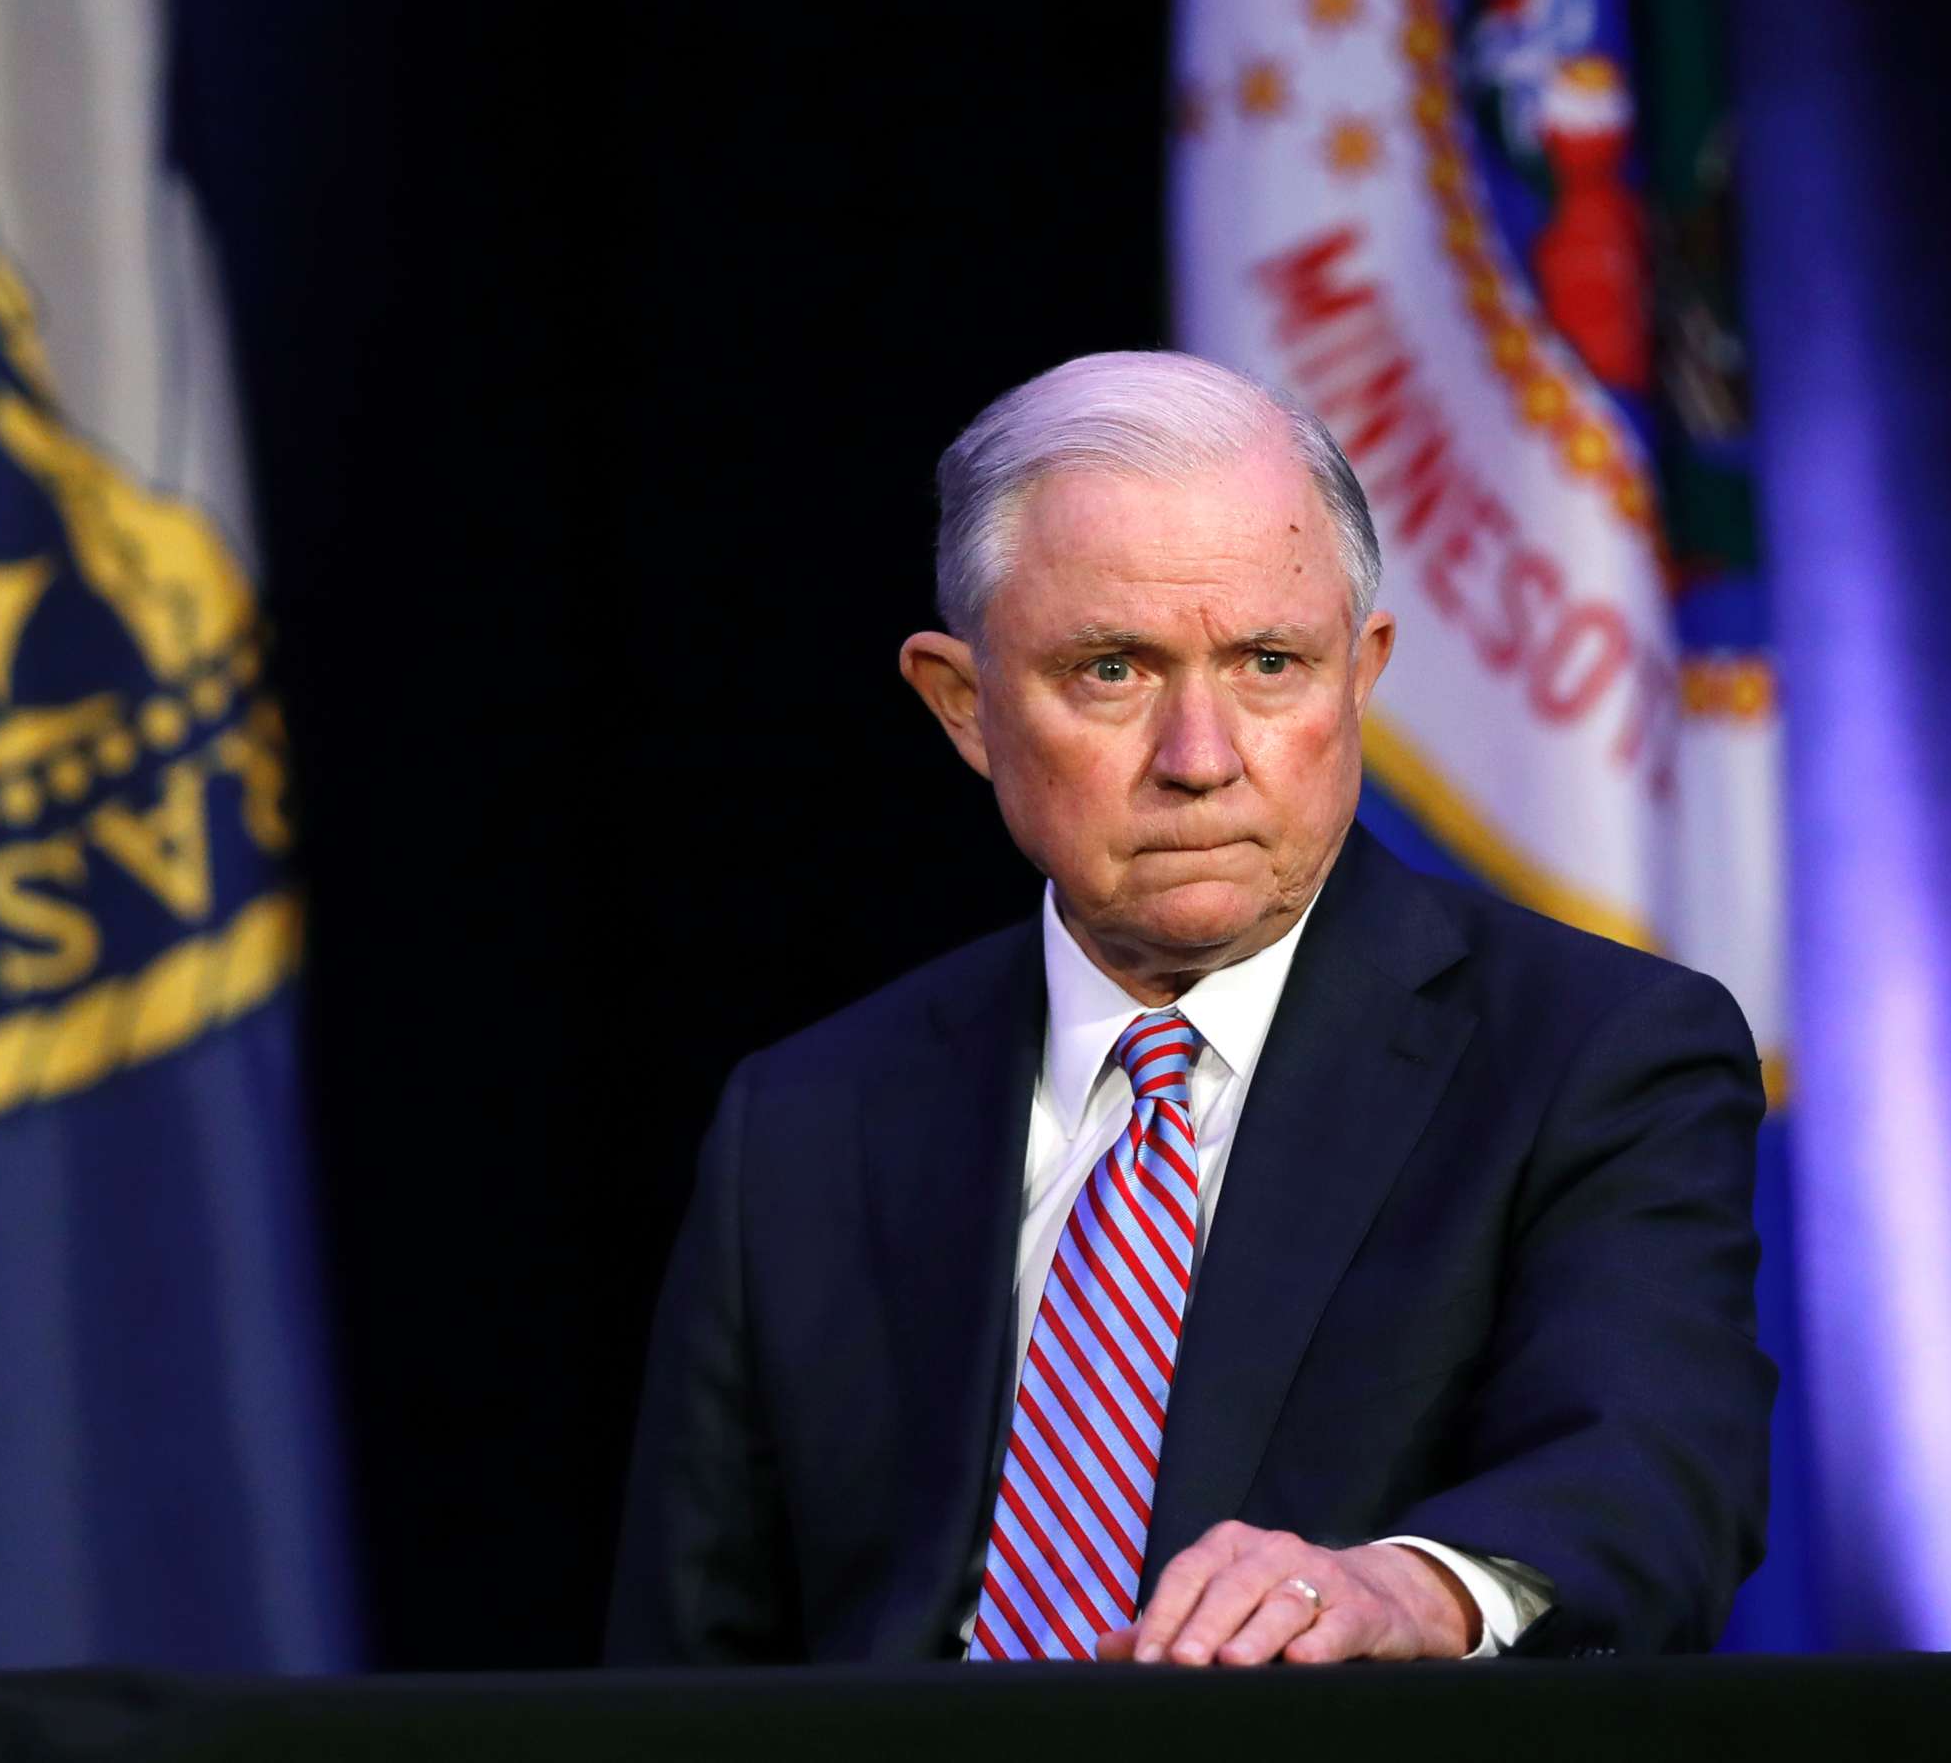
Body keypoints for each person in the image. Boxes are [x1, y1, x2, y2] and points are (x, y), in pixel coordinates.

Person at [605, 351, 1771, 1666]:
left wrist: (1410, 1591)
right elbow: (686, 1667)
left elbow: (1655, 1474)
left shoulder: (1592, 1054)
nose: (1202, 759)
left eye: (1271, 663)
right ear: (963, 704)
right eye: (1114, 671)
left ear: (1360, 675)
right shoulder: (809, 1118)